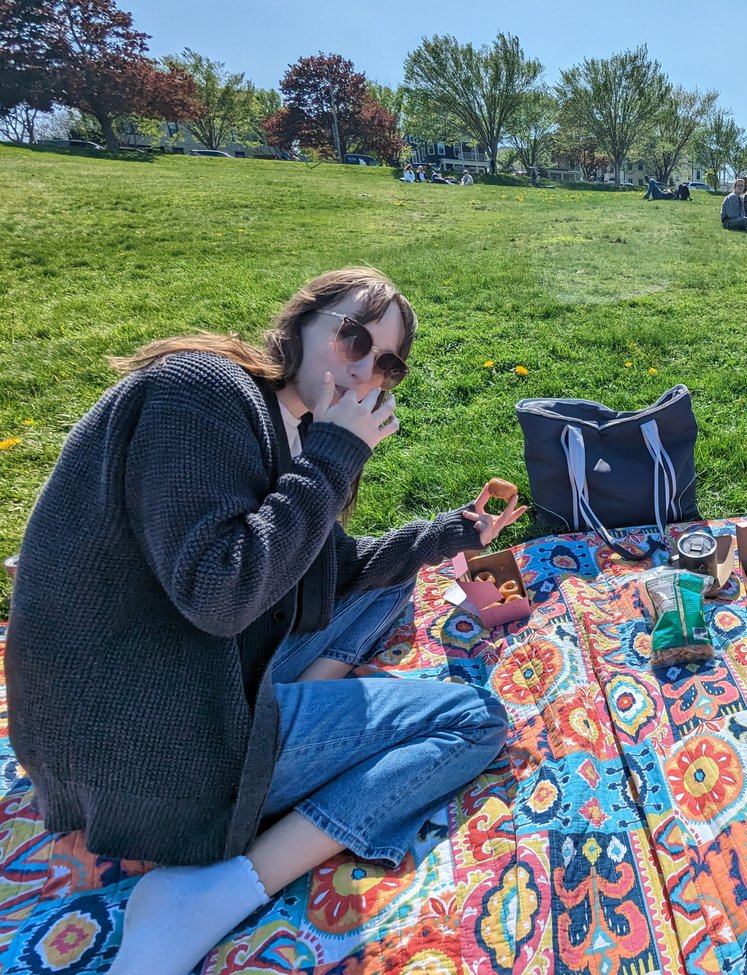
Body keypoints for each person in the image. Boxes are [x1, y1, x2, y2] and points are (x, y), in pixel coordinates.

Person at [6, 268, 523, 975]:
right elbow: (221, 596)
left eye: (388, 362)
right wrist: (336, 458)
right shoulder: (201, 393)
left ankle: (294, 706)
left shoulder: (282, 423)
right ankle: (225, 886)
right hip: (149, 741)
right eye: (354, 337)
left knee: (390, 590)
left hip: (163, 668)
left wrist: (456, 532)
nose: (367, 368)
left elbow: (333, 566)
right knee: (476, 719)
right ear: (300, 322)